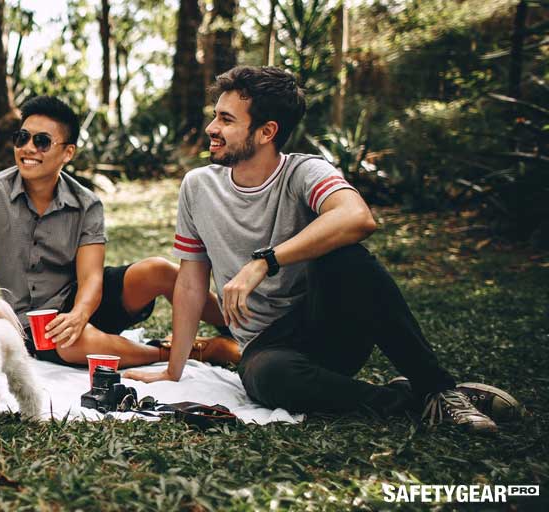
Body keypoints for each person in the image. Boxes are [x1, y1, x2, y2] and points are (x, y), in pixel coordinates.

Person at [125, 66, 521, 433]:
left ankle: (438, 386)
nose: (211, 127)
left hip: (329, 327)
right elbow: (192, 283)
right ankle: (417, 400)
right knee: (269, 379)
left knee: (347, 256)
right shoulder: (198, 186)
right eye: (216, 114)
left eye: (226, 120)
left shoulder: (304, 171)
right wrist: (173, 371)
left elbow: (357, 217)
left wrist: (265, 261)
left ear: (266, 132)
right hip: (268, 349)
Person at [0, 95, 241, 368]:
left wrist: (79, 315)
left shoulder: (87, 203)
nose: (28, 148)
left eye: (42, 141)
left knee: (159, 270)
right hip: (31, 323)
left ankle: (242, 331)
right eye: (22, 138)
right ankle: (193, 351)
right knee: (71, 343)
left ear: (68, 152)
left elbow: (91, 277)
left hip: (83, 300)